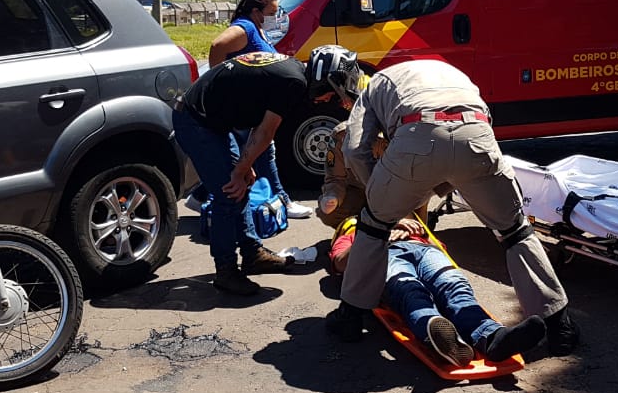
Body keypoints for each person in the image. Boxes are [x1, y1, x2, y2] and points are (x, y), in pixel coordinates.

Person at [306, 45, 579, 355]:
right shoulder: (446, 74)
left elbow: (355, 150)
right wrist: (441, 184)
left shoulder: (376, 87)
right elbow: (474, 129)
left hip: (418, 134)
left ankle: (350, 317)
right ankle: (560, 326)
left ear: (343, 82)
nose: (340, 105)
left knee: (373, 226)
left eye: (334, 98)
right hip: (477, 137)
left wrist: (382, 200)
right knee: (515, 232)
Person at [173, 50, 310, 295]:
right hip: (196, 120)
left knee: (240, 186)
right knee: (228, 192)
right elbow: (265, 133)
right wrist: (240, 171)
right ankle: (225, 271)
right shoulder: (294, 83)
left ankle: (252, 253)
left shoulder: (291, 67)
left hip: (214, 120)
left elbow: (255, 120)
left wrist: (244, 168)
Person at [329, 216, 546, 365]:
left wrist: (415, 229)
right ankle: (440, 339)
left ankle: (494, 338)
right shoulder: (350, 238)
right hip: (384, 255)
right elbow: (340, 263)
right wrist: (371, 237)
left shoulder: (406, 226)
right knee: (410, 292)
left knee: (454, 286)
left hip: (424, 250)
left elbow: (439, 247)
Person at [185, 0, 313, 220]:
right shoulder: (245, 28)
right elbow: (218, 45)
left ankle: (199, 196)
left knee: (251, 154)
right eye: (272, 12)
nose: (276, 17)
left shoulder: (260, 30)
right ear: (256, 12)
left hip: (250, 104)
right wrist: (217, 82)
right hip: (237, 103)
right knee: (262, 150)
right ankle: (282, 199)